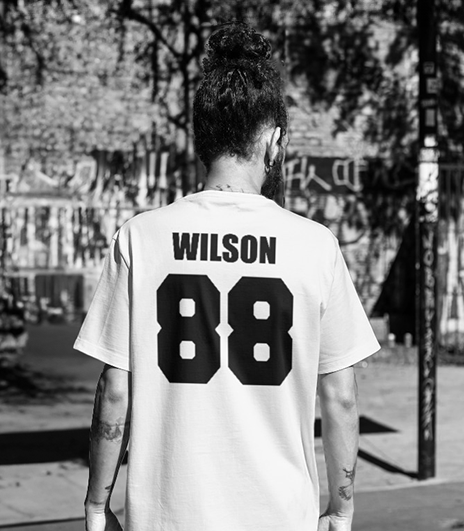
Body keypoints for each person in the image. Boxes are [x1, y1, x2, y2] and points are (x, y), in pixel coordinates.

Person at [76, 22, 379, 531]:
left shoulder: (141, 238)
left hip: (167, 517)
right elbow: (341, 396)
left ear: (202, 138)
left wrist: (95, 504)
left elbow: (115, 390)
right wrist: (341, 507)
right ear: (273, 140)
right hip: (279, 516)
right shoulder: (316, 246)